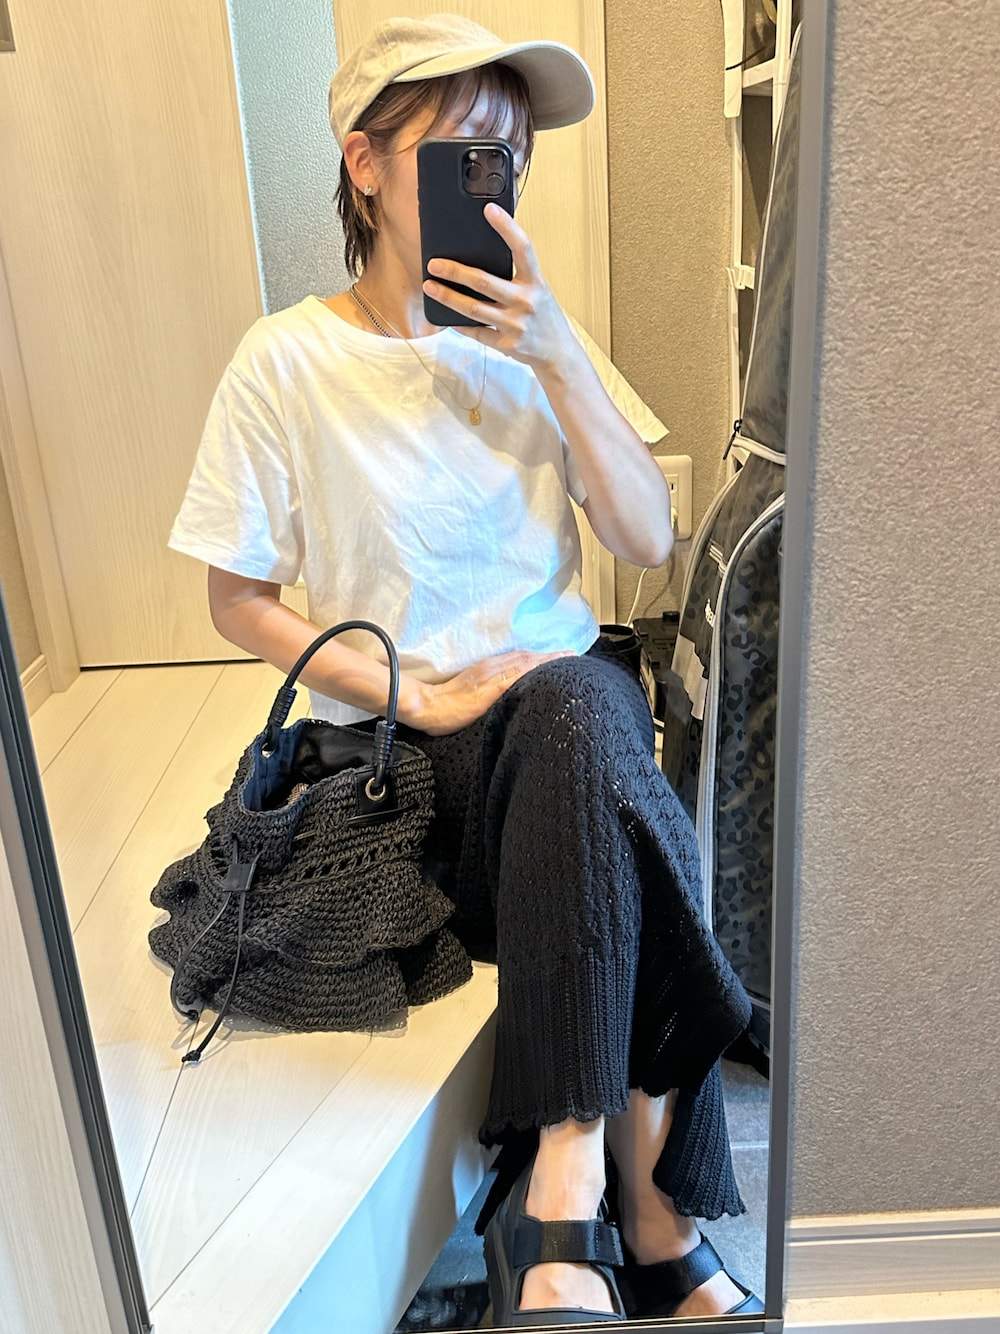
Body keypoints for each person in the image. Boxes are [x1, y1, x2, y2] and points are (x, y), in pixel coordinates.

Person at [168, 13, 763, 1326]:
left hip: (562, 738)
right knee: (612, 770)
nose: (495, 179)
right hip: (411, 769)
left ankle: (561, 1195)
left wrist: (556, 356)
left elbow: (646, 541)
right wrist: (419, 694)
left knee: (579, 700)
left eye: (510, 157)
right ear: (367, 165)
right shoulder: (287, 361)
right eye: (461, 153)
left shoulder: (546, 341)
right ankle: (654, 1219)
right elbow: (236, 598)